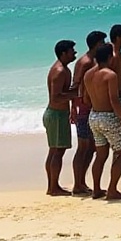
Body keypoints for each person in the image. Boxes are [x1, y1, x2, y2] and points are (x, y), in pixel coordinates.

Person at [83, 42, 121, 201]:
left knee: (101, 154)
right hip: (108, 117)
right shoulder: (110, 75)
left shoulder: (88, 74)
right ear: (110, 57)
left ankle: (96, 190)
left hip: (94, 116)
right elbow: (114, 100)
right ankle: (112, 190)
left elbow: (85, 98)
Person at [71, 29, 107, 196]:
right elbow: (75, 85)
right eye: (103, 42)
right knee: (83, 147)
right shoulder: (85, 62)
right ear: (97, 44)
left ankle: (82, 183)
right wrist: (75, 108)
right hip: (84, 110)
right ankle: (78, 184)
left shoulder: (92, 60)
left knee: (91, 147)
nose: (106, 45)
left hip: (89, 109)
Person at [43, 39, 77, 196]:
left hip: (58, 114)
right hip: (56, 114)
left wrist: (71, 109)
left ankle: (52, 186)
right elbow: (56, 97)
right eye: (72, 50)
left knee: (55, 150)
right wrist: (77, 94)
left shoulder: (63, 69)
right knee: (58, 151)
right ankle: (53, 187)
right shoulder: (59, 71)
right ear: (64, 53)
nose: (75, 53)